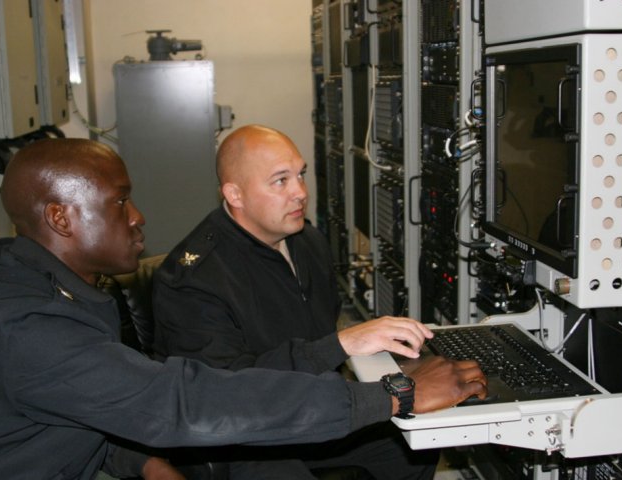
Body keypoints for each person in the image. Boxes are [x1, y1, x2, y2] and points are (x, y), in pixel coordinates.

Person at [0, 138, 487, 480]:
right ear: (60, 217)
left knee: (404, 452)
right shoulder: (28, 327)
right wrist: (392, 396)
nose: (140, 217)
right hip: (218, 430)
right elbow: (188, 400)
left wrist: (139, 461)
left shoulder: (32, 278)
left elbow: (78, 406)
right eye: (121, 202)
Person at [152, 125, 446, 479]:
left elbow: (317, 338)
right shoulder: (194, 280)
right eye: (280, 181)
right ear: (235, 194)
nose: (300, 193)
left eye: (301, 175)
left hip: (307, 407)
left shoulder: (307, 242)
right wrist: (340, 344)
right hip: (239, 433)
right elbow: (224, 393)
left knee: (416, 440)